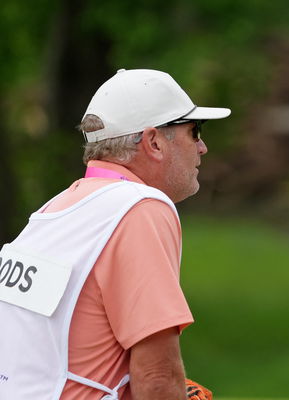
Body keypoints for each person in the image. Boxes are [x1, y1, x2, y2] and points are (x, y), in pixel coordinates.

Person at [0, 68, 230, 400]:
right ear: (153, 142)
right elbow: (157, 376)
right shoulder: (140, 207)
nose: (203, 147)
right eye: (194, 131)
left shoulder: (57, 209)